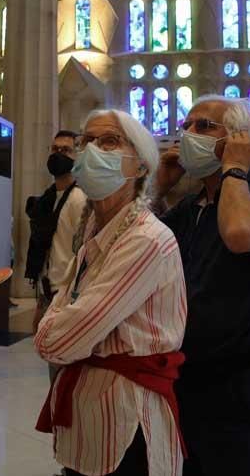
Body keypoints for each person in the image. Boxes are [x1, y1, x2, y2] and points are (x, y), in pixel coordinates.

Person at [152, 95, 250, 476]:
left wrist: (235, 169)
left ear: (238, 139)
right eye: (185, 126)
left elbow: (240, 232)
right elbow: (135, 254)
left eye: (203, 126)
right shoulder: (189, 207)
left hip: (243, 385)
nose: (187, 134)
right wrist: (157, 190)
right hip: (187, 378)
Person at [35, 109, 185, 476]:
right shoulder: (96, 235)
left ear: (140, 167)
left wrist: (58, 324)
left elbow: (59, 341)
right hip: (90, 416)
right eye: (87, 141)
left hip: (125, 424)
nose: (91, 150)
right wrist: (61, 320)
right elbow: (65, 310)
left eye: (110, 142)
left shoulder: (147, 240)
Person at [26, 131, 89, 333]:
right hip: (49, 289)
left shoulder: (79, 198)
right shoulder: (49, 198)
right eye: (55, 149)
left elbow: (85, 251)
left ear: (77, 156)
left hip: (67, 293)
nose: (58, 154)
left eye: (66, 150)